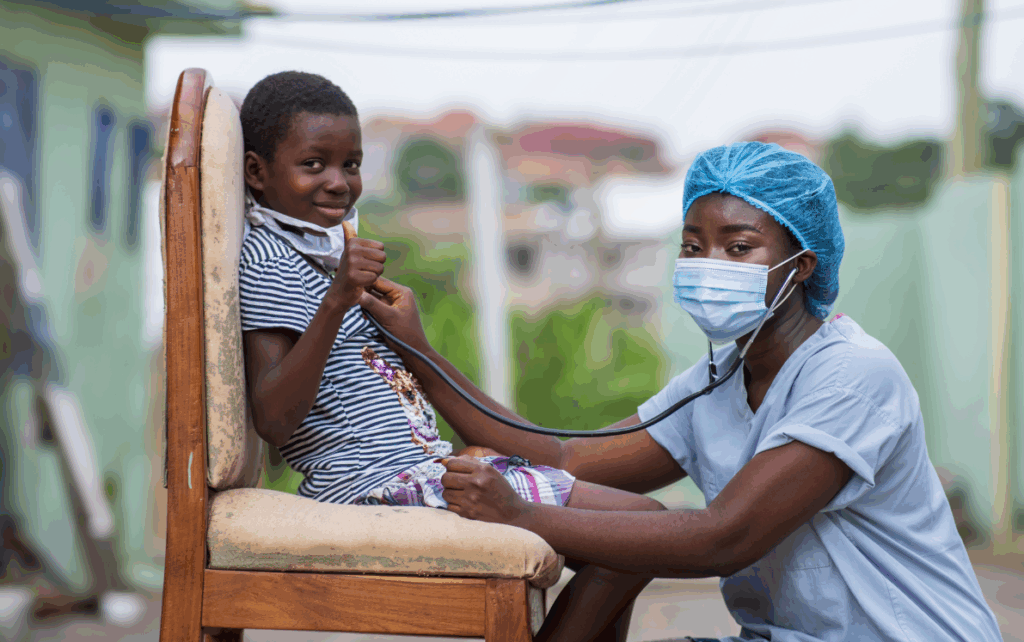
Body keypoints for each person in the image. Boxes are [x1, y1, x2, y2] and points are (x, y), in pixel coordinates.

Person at [359, 142, 1004, 642]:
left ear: (803, 266)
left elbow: (725, 537)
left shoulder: (852, 376)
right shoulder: (718, 380)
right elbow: (565, 458)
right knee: (621, 530)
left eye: (739, 247)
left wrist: (522, 515)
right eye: (694, 247)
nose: (707, 266)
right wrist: (419, 350)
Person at [238, 71, 664, 520]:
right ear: (256, 172)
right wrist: (337, 301)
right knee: (643, 519)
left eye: (351, 165)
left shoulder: (319, 258)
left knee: (637, 520)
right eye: (313, 164)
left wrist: (400, 334)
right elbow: (274, 420)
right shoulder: (271, 260)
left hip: (418, 473)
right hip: (374, 487)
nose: (339, 182)